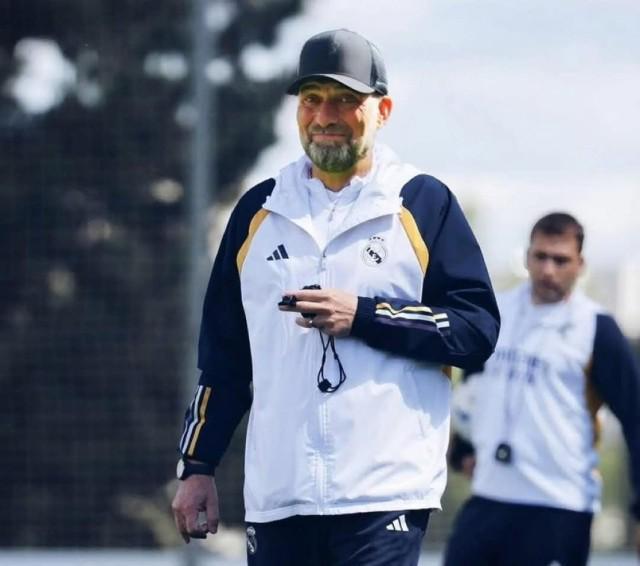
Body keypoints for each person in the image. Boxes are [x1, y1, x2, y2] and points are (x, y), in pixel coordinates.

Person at [171, 28, 500, 566]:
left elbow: (475, 329)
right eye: (312, 99)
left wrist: (365, 316)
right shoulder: (258, 211)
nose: (325, 115)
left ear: (382, 110)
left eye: (346, 100)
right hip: (278, 497)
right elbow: (224, 361)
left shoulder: (421, 202)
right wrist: (197, 467)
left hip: (384, 496)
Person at [444, 212, 640, 566]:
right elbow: (470, 385)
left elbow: (636, 419)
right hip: (488, 497)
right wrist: (462, 449)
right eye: (540, 256)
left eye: (560, 260)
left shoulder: (595, 328)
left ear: (580, 265)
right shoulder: (496, 311)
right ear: (527, 257)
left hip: (558, 507)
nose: (548, 269)